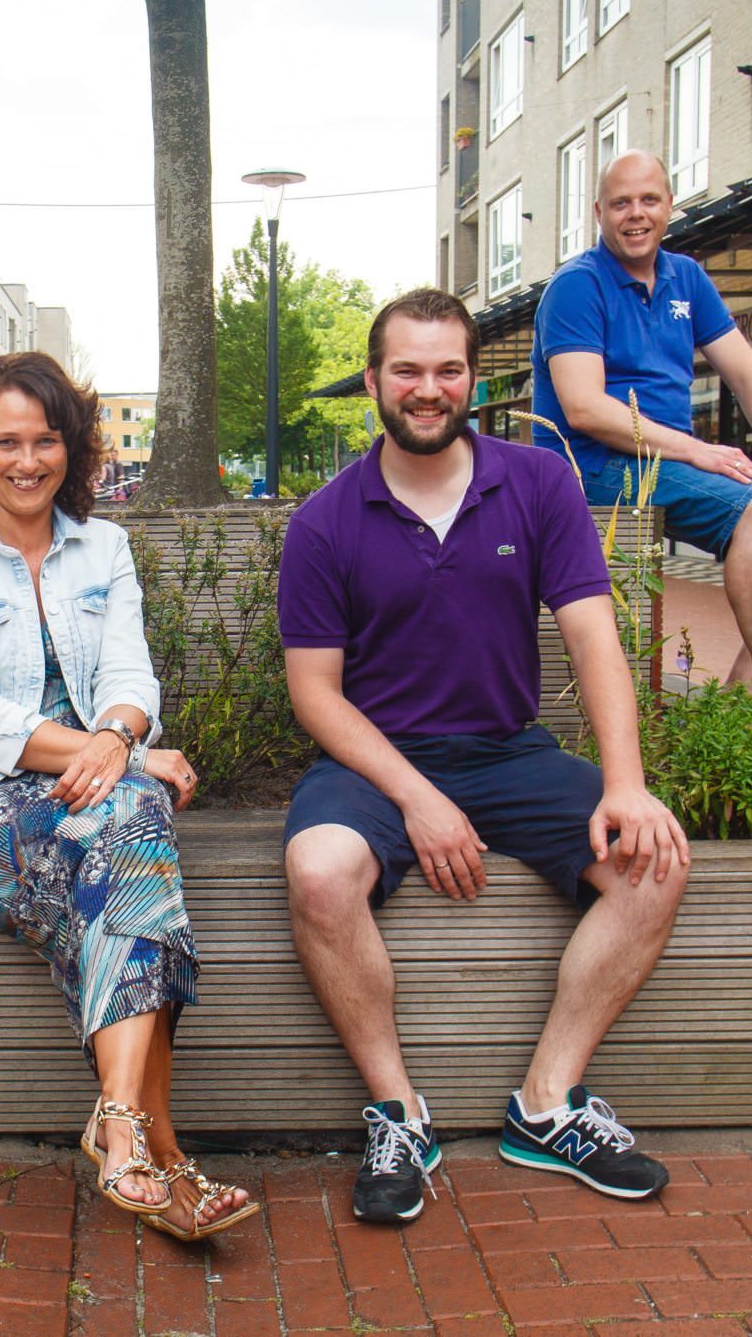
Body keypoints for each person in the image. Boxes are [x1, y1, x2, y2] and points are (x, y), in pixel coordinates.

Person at [280, 289, 690, 1225]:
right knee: (317, 869)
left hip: (512, 753)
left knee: (655, 864)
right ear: (376, 382)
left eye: (449, 370)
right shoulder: (327, 520)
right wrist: (418, 798)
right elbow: (317, 696)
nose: (429, 390)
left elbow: (594, 641)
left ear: (475, 379)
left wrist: (626, 784)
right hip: (376, 762)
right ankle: (399, 1114)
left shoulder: (537, 483)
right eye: (408, 371)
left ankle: (547, 1104)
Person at [0, 351, 257, 1243]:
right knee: (136, 828)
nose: (28, 460)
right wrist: (122, 757)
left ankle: (128, 1138)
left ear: (74, 446)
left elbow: (132, 675)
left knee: (120, 865)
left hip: (90, 786)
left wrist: (121, 739)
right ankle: (158, 1152)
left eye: (46, 439)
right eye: (7, 441)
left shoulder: (105, 546)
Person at [530, 149, 752, 686]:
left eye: (649, 200)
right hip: (596, 467)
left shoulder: (686, 278)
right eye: (621, 203)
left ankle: (750, 684)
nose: (636, 213)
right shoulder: (578, 285)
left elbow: (748, 377)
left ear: (670, 206)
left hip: (665, 465)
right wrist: (699, 450)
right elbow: (584, 408)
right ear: (598, 212)